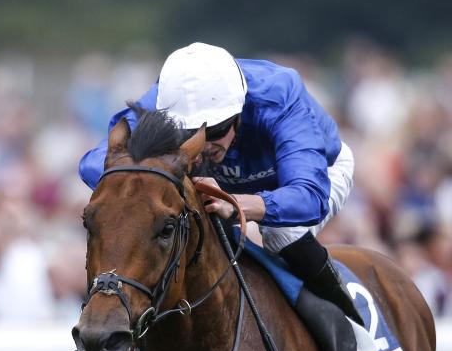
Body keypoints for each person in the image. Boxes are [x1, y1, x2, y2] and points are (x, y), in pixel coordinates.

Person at [79, 42, 363, 327]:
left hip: (316, 174)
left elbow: (308, 197)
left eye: (213, 130)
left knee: (281, 235)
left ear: (239, 112)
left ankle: (356, 336)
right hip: (224, 183)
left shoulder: (278, 95)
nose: (202, 147)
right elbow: (94, 163)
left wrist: (237, 203)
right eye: (187, 134)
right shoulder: (166, 98)